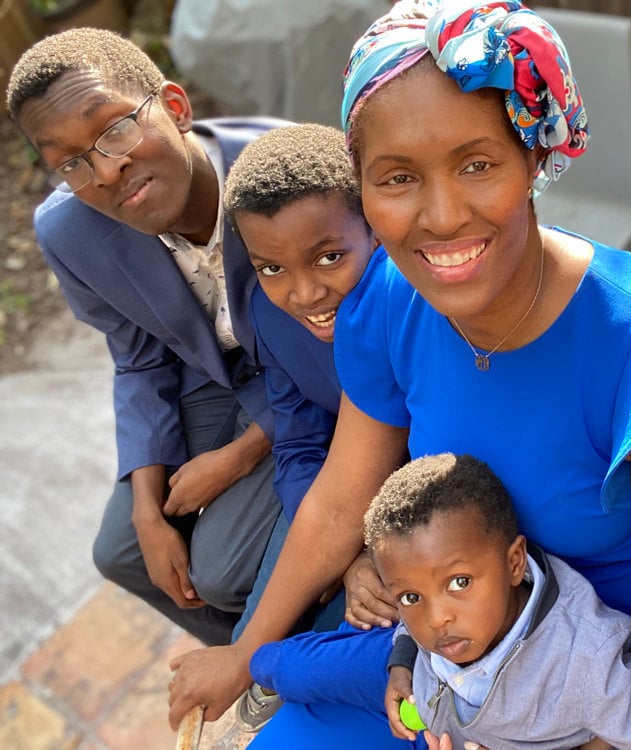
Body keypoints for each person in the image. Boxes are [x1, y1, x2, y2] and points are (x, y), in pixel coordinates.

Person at [168, 1, 631, 743]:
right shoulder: (389, 299)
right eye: (398, 177)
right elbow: (343, 499)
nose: (440, 216)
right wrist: (244, 653)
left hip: (609, 694)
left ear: (535, 156)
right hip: (447, 658)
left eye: (477, 164)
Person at [6, 29, 287, 648]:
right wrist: (144, 503)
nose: (105, 171)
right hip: (215, 376)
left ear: (176, 108)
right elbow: (138, 361)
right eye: (71, 163)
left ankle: (280, 642)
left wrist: (239, 456)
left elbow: (351, 340)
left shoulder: (280, 170)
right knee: (124, 551)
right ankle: (255, 651)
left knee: (220, 570)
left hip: (310, 375)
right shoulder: (70, 231)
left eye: (114, 130)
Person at [252, 452, 631, 749]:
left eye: (459, 583)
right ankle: (258, 668)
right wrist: (403, 656)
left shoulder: (582, 667)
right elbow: (415, 620)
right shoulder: (436, 625)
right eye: (412, 596)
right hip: (409, 680)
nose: (437, 618)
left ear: (515, 563)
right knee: (293, 669)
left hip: (444, 726)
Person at [222, 122, 379, 729]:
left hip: (431, 512)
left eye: (329, 257)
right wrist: (347, 559)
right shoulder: (269, 316)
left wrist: (373, 547)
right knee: (262, 627)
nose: (305, 292)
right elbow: (297, 442)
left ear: (372, 225)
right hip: (339, 507)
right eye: (271, 267)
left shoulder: (410, 301)